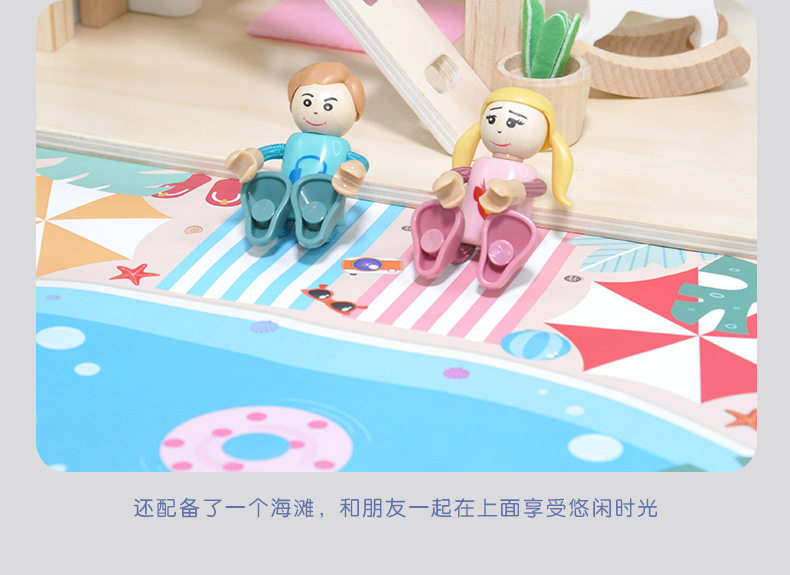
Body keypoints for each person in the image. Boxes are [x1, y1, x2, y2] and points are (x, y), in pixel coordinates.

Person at [411, 87, 573, 290]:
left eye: (513, 123)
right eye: (491, 120)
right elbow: (465, 173)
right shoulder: (482, 164)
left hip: (504, 231)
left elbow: (538, 188)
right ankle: (458, 243)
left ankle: (497, 258)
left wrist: (514, 191)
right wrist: (452, 178)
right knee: (453, 221)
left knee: (504, 237)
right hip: (467, 226)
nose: (499, 130)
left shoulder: (526, 172)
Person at [226, 62, 369, 249]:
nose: (315, 111)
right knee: (281, 203)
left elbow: (361, 163)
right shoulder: (296, 141)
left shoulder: (339, 147)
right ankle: (282, 219)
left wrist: (355, 169)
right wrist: (253, 158)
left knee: (323, 214)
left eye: (328, 106)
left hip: (322, 202)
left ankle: (324, 225)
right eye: (307, 103)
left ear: (355, 113)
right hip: (285, 196)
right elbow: (273, 151)